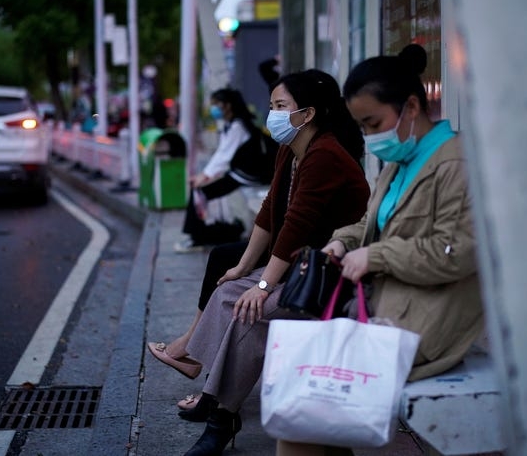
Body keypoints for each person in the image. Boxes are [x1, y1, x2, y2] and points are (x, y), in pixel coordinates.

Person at [276, 44, 484, 455]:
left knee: (304, 409)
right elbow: (372, 224)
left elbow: (458, 251)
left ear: (410, 107)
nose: (371, 138)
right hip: (385, 310)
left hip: (423, 325)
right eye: (363, 127)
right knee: (309, 406)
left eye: (373, 124)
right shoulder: (402, 161)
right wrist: (344, 241)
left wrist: (375, 256)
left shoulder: (454, 162)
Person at [149, 69, 370, 456]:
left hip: (333, 276)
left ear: (308, 113)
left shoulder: (325, 154)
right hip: (303, 267)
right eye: (271, 106)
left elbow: (296, 225)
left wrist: (263, 284)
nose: (273, 114)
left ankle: (221, 417)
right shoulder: (292, 148)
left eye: (281, 106)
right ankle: (214, 400)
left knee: (250, 309)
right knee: (226, 292)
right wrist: (243, 269)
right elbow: (272, 212)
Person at [175, 88, 263, 253]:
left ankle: (197, 238)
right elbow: (221, 154)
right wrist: (204, 175)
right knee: (201, 191)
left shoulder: (238, 126)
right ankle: (197, 236)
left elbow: (224, 156)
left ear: (227, 106)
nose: (213, 108)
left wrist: (205, 176)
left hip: (246, 175)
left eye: (216, 104)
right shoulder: (231, 125)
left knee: (201, 191)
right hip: (240, 174)